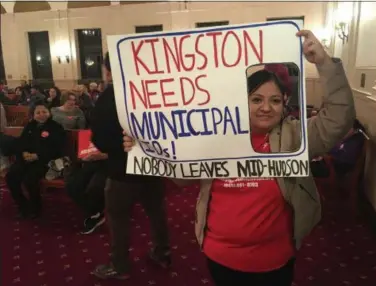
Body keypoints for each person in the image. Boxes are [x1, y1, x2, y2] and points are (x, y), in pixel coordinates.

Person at [123, 30, 356, 286]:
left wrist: (324, 63)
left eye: (275, 100)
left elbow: (338, 119)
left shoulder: (295, 135)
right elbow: (181, 180)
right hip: (220, 257)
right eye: (256, 99)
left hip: (275, 260)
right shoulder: (214, 133)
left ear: (284, 103)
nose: (266, 107)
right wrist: (145, 147)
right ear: (240, 101)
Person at [90, 52, 171, 280]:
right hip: (153, 166)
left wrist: (117, 145)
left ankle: (120, 265)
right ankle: (162, 253)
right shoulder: (152, 91)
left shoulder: (109, 97)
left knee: (118, 218)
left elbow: (100, 140)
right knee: (157, 212)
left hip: (121, 171)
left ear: (107, 71)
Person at [5, 102, 66, 218]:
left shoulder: (55, 127)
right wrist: (24, 153)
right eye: (38, 112)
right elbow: (21, 142)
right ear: (33, 114)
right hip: (26, 159)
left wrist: (38, 155)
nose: (41, 114)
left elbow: (57, 148)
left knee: (30, 178)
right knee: (11, 176)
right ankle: (22, 205)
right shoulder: (30, 126)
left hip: (44, 161)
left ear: (49, 113)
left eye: (44, 112)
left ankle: (35, 207)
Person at [65, 151, 108, 234]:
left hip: (114, 164)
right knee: (72, 186)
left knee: (95, 186)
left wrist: (106, 155)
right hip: (92, 160)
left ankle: (95, 213)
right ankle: (95, 213)